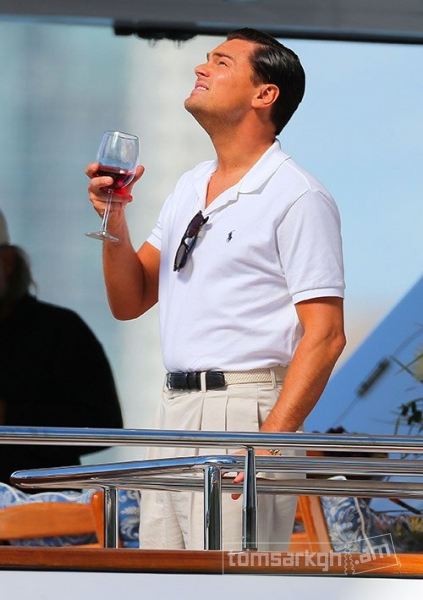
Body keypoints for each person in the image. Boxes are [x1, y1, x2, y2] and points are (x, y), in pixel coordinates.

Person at [86, 28, 346, 550]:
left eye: (221, 62)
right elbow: (129, 300)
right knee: (161, 578)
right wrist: (113, 217)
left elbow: (326, 335)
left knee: (229, 579)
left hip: (244, 411)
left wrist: (268, 444)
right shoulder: (190, 184)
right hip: (172, 409)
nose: (201, 68)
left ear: (264, 94)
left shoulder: (298, 195)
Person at [0, 209, 124, 483]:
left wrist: (11, 415)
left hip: (38, 502)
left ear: (7, 263)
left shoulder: (60, 330)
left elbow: (103, 424)